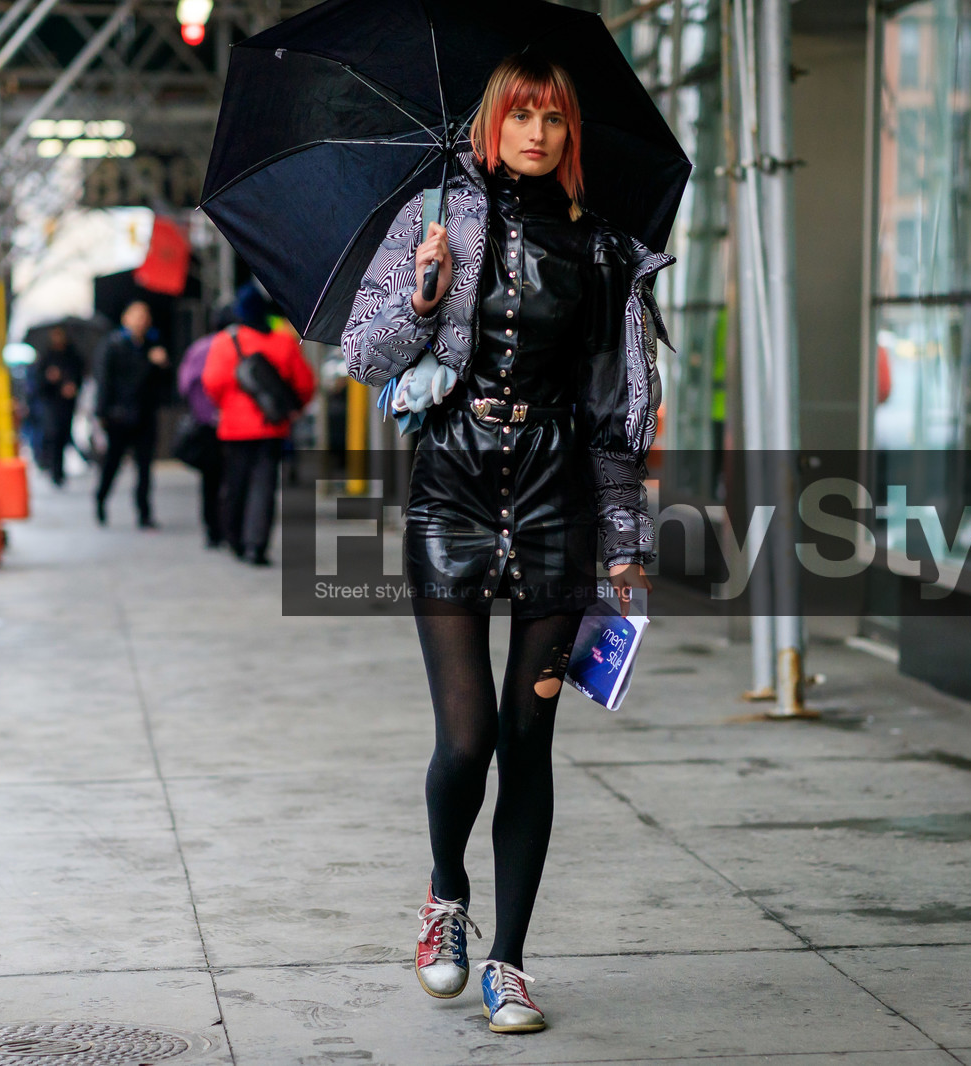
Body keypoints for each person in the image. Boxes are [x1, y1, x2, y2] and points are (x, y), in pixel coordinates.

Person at [341, 52, 671, 1035]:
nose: (536, 132)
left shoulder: (607, 249)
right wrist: (426, 296)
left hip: (556, 504)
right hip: (449, 499)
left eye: (554, 119)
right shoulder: (431, 220)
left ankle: (510, 962)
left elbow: (617, 412)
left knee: (529, 741)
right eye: (520, 115)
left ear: (571, 136)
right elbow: (364, 356)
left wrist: (624, 541)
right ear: (491, 124)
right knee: (468, 735)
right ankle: (445, 896)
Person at [202, 283, 315, 566]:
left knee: (236, 482)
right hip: (270, 425)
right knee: (264, 485)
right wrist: (293, 408)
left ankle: (235, 538)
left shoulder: (225, 342)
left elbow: (211, 383)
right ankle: (257, 545)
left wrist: (228, 404)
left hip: (234, 428)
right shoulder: (283, 341)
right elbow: (305, 383)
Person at [94, 301, 172, 527]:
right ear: (125, 319)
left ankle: (144, 513)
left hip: (145, 415)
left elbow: (164, 383)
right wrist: (102, 413)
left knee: (145, 468)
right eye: (137, 316)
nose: (142, 321)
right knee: (112, 463)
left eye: (145, 316)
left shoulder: (152, 345)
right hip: (119, 416)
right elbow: (106, 381)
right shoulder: (113, 345)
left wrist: (163, 365)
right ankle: (100, 499)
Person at [177, 305, 239, 549]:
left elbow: (184, 385)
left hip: (205, 424)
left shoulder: (198, 348)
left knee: (210, 481)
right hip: (233, 422)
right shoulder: (236, 346)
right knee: (232, 478)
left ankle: (212, 529)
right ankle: (229, 527)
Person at [29, 324, 85, 485]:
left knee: (63, 434)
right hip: (50, 401)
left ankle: (59, 470)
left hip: (66, 402)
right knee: (52, 433)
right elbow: (38, 383)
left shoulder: (72, 355)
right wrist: (49, 378)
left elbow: (80, 374)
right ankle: (53, 469)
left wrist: (73, 385)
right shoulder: (46, 356)